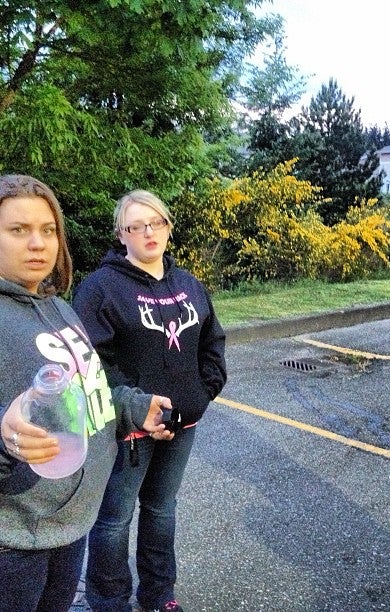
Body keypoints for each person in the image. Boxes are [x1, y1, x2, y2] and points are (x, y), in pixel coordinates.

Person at [0, 175, 172, 612]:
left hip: (70, 525)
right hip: (14, 539)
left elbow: (81, 394)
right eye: (18, 230)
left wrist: (131, 407)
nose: (38, 243)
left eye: (48, 230)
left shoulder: (59, 307)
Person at [72, 189, 227, 612]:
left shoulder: (188, 284)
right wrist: (135, 407)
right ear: (121, 234)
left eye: (156, 222)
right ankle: (110, 602)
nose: (148, 232)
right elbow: (87, 363)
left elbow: (212, 342)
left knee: (161, 510)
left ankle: (158, 595)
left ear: (168, 227)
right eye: (136, 226)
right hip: (127, 430)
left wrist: (200, 394)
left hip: (182, 424)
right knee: (114, 520)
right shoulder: (100, 289)